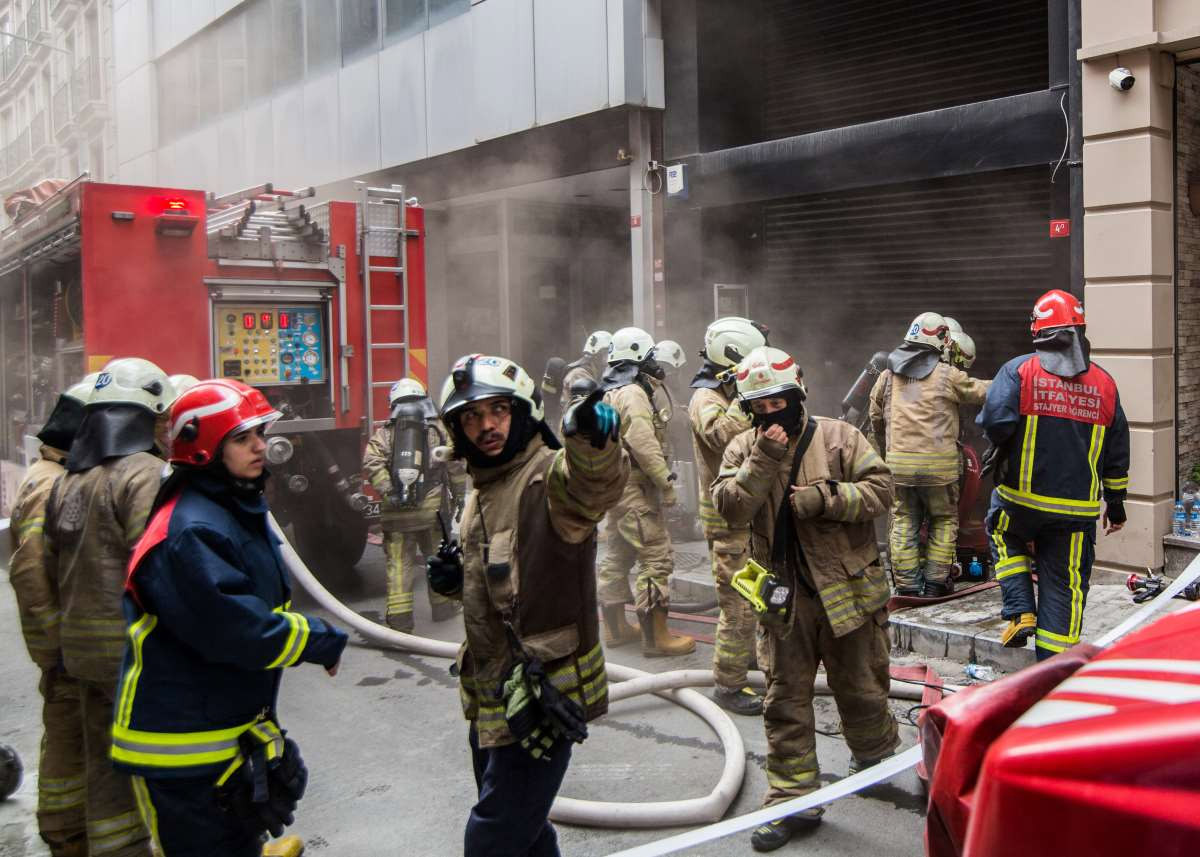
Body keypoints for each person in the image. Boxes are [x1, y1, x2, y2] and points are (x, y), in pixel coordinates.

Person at [113, 379, 348, 856]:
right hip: (181, 749)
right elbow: (242, 629)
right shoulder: (191, 532)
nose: (261, 445)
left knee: (237, 833)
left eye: (259, 432)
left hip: (219, 728)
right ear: (204, 450)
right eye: (243, 438)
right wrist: (319, 638)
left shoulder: (226, 508)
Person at [425, 353, 627, 856]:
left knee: (493, 836)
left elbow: (590, 486)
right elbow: (507, 582)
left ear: (525, 411)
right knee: (528, 833)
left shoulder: (544, 479)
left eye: (499, 410)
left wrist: (592, 441)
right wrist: (455, 580)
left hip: (542, 696)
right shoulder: (484, 484)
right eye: (471, 416)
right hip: (491, 694)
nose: (486, 425)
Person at [712, 346, 898, 852]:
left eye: (779, 400)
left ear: (797, 393)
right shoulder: (742, 449)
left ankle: (877, 756)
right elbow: (730, 507)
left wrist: (826, 498)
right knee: (784, 702)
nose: (771, 412)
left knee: (861, 687)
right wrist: (763, 459)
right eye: (761, 405)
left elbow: (883, 491)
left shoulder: (841, 437)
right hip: (782, 600)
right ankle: (792, 800)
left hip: (849, 591)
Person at [44, 357, 177, 857]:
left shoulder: (68, 479)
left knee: (104, 761)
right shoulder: (144, 474)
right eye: (162, 417)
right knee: (160, 767)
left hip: (80, 650)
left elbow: (51, 562)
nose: (167, 427)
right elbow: (157, 568)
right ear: (146, 415)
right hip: (131, 652)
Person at [977, 289, 1129, 658]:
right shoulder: (1106, 385)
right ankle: (1053, 673)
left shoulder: (1018, 370)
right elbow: (1117, 451)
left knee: (1000, 530)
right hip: (1076, 513)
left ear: (1038, 330)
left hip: (1020, 501)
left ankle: (1019, 609)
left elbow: (995, 422)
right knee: (1064, 586)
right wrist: (1117, 503)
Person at [7, 373, 96, 857]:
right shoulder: (49, 486)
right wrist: (58, 648)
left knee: (70, 731)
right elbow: (31, 574)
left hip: (64, 648)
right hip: (65, 652)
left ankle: (67, 826)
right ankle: (65, 832)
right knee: (69, 733)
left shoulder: (50, 475)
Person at [869, 312, 990, 597]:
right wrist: (1014, 379)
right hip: (940, 469)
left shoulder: (887, 376)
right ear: (941, 340)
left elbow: (875, 415)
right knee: (943, 520)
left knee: (904, 520)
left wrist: (888, 449)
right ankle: (936, 583)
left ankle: (908, 585)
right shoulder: (946, 374)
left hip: (899, 466)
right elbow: (980, 392)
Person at [595, 327, 695, 656]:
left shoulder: (613, 391)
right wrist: (665, 481)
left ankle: (615, 628)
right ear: (639, 358)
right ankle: (657, 637)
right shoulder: (634, 394)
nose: (655, 363)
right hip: (636, 488)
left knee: (619, 555)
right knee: (655, 556)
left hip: (617, 488)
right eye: (650, 357)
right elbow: (642, 440)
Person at [688, 317, 767, 716]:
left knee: (753, 595)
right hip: (726, 520)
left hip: (742, 514)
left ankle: (747, 658)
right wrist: (746, 398)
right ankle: (729, 684)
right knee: (738, 604)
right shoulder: (707, 399)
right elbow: (721, 435)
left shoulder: (721, 391)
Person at [362, 377, 466, 631]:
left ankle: (400, 618)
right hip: (432, 513)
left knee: (398, 563)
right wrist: (460, 496)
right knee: (437, 558)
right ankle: (443, 607)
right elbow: (455, 465)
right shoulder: (438, 431)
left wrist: (389, 490)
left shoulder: (384, 434)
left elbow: (371, 463)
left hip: (395, 515)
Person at [557, 330, 612, 412]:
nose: (610, 357)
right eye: (607, 353)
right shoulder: (579, 375)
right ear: (597, 355)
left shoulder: (592, 373)